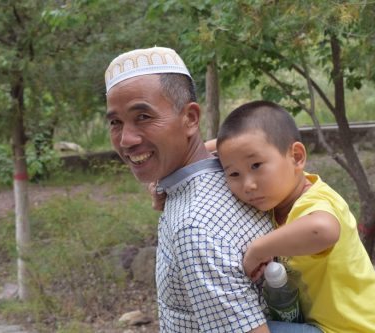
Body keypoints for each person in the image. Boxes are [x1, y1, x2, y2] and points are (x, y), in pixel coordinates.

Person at [104, 47, 321, 333]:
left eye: (143, 117)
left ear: (191, 118)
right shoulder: (238, 172)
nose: (126, 139)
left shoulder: (193, 226)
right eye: (115, 122)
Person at [214, 100, 375, 333]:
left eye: (256, 165)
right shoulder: (278, 200)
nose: (248, 185)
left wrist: (259, 249)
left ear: (297, 157)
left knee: (234, 327)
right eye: (234, 173)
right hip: (323, 327)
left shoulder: (315, 201)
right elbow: (227, 149)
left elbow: (322, 229)